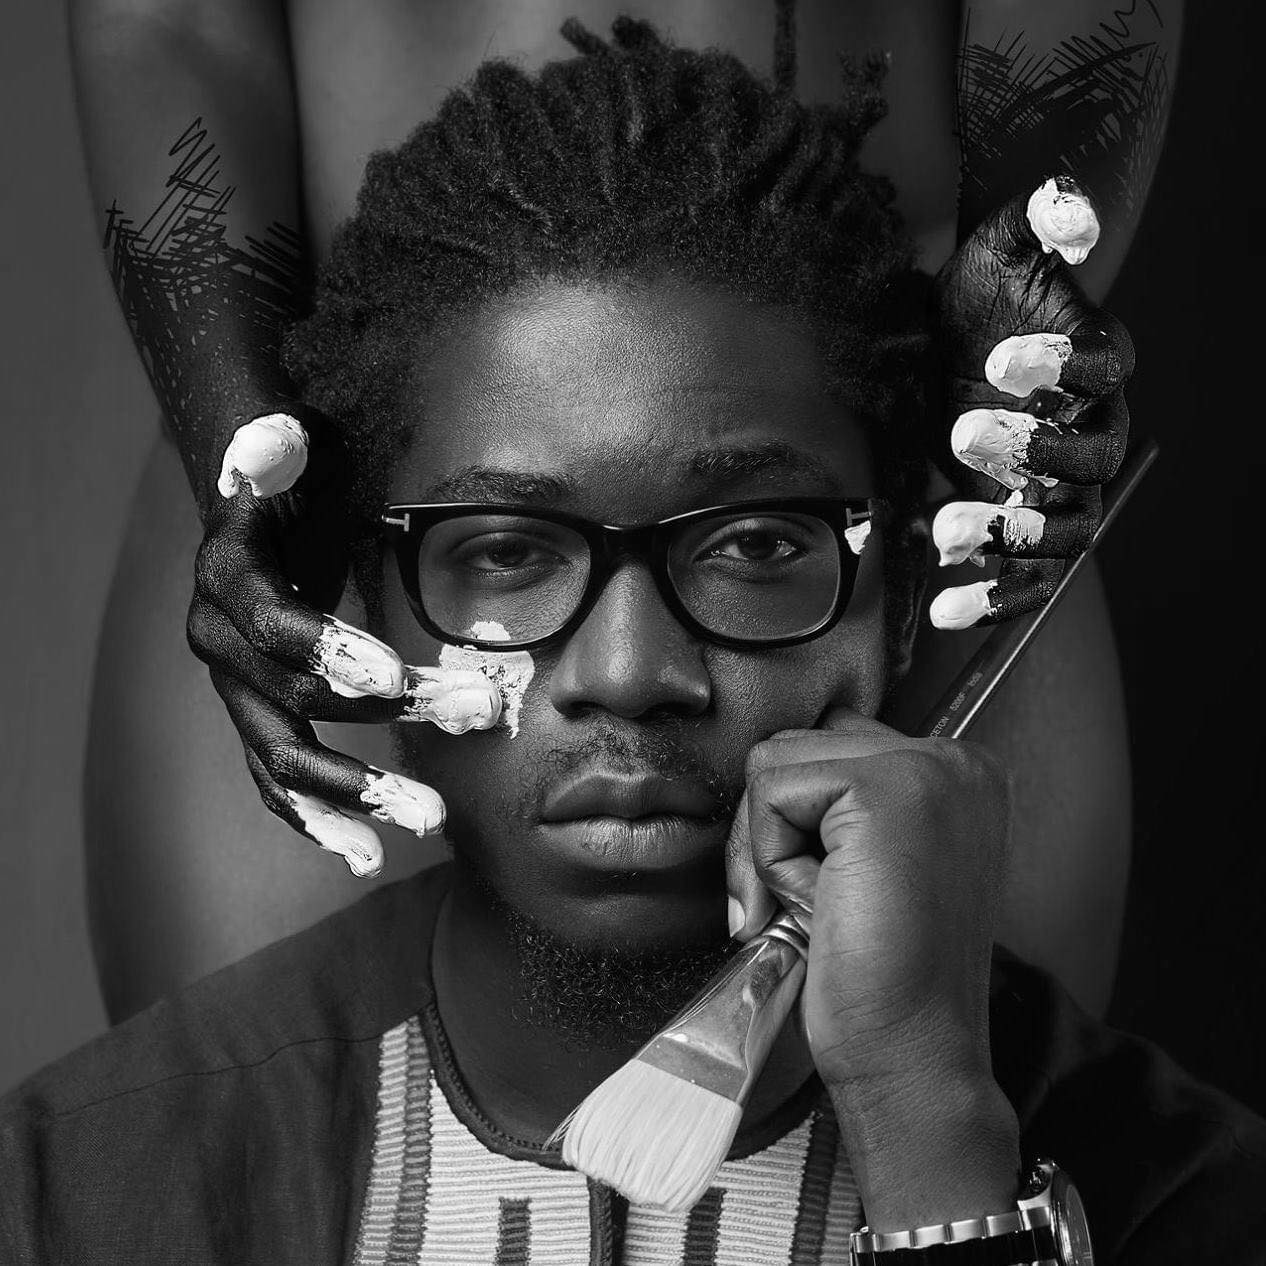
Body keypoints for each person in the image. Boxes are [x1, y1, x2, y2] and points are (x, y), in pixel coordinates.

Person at [5, 25, 1262, 1263]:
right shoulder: (76, 1185)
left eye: (754, 544)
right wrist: (242, 447)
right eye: (510, 550)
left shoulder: (1192, 1191)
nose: (628, 673)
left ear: (900, 573)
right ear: (366, 589)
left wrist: (931, 1134)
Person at [67, 0, 1162, 1023]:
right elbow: (168, 20)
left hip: (929, 478)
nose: (630, 674)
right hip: (337, 513)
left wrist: (1018, 335)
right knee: (276, 1138)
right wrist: (240, 439)